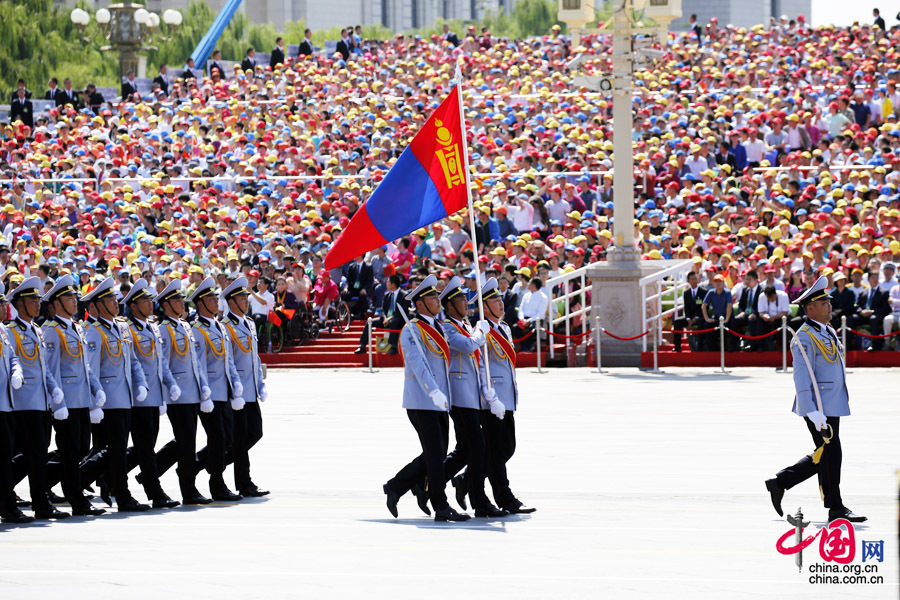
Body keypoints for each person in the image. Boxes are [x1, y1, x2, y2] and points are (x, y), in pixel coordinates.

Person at [765, 276, 866, 524]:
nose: (829, 306)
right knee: (831, 454)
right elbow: (801, 378)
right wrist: (811, 411)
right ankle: (835, 508)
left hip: (831, 403)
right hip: (819, 407)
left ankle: (780, 482)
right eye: (824, 303)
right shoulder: (804, 337)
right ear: (810, 308)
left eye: (829, 302)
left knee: (828, 453)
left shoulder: (827, 330)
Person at [382, 274, 469, 522]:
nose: (437, 299)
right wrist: (433, 391)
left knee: (438, 453)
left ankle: (396, 486)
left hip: (441, 400)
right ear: (419, 304)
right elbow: (418, 365)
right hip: (422, 401)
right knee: (434, 453)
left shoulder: (438, 327)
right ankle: (441, 505)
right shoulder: (411, 330)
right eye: (432, 296)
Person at [438, 277, 508, 518]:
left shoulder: (466, 325)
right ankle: (478, 499)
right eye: (459, 300)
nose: (466, 303)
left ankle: (430, 482)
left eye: (465, 298)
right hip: (459, 397)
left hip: (473, 396)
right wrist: (480, 332)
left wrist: (488, 392)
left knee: (470, 449)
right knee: (477, 448)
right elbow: (468, 347)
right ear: (449, 305)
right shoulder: (447, 326)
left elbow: (478, 362)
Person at [81, 277, 150, 513]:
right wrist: (95, 400)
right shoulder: (94, 332)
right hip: (107, 401)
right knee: (113, 449)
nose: (115, 302)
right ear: (97, 305)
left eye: (114, 298)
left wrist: (140, 384)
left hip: (125, 398)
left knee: (116, 449)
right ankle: (120, 493)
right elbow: (90, 369)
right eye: (110, 299)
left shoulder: (121, 328)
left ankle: (87, 481)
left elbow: (133, 362)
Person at [40, 275, 106, 516]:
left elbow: (85, 366)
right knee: (69, 451)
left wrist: (95, 391)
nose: (74, 301)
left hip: (81, 400)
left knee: (80, 449)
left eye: (75, 297)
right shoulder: (51, 331)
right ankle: (76, 498)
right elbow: (50, 368)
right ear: (55, 304)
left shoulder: (76, 327)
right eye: (69, 298)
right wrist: (57, 402)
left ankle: (44, 481)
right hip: (65, 401)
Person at [7, 277, 69, 519]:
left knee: (39, 454)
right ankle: (34, 501)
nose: (38, 305)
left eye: (38, 301)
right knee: (30, 454)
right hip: (23, 402)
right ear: (20, 304)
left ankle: (39, 501)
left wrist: (54, 391)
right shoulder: (12, 332)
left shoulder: (37, 330)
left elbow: (44, 368)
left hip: (41, 402)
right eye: (33, 301)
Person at [478, 277, 535, 514]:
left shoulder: (504, 328)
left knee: (507, 447)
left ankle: (468, 478)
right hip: (493, 399)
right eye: (494, 300)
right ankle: (505, 498)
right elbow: (481, 366)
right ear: (484, 306)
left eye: (501, 298)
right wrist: (489, 396)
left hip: (507, 397)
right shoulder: (482, 330)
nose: (501, 304)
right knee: (497, 451)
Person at [122, 279, 181, 509]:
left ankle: (108, 476)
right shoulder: (128, 329)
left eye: (150, 300)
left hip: (155, 397)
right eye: (144, 301)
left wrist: (169, 386)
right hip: (138, 398)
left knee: (146, 446)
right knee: (144, 447)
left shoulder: (152, 328)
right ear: (134, 306)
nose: (150, 304)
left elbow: (161, 363)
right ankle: (154, 491)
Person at [154, 279, 213, 505]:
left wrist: (203, 386)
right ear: (167, 305)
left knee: (187, 441)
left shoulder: (185, 326)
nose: (182, 303)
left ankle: (185, 485)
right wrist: (171, 388)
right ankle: (188, 490)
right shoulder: (164, 330)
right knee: (186, 442)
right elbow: (163, 363)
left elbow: (195, 361)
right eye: (177, 300)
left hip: (192, 393)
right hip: (177, 395)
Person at [188, 277, 244, 502]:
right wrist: (204, 393)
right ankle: (216, 484)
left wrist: (236, 383)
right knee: (218, 439)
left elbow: (228, 359)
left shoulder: (219, 326)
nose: (216, 302)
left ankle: (195, 470)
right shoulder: (198, 330)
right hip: (209, 395)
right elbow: (198, 364)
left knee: (228, 439)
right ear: (200, 303)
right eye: (211, 299)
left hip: (225, 392)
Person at [220, 277, 269, 497]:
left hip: (251, 390)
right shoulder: (226, 326)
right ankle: (244, 482)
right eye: (242, 298)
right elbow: (228, 360)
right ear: (232, 302)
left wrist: (260, 383)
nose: (246, 301)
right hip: (237, 391)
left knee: (255, 433)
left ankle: (207, 460)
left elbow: (254, 357)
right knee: (239, 439)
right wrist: (236, 388)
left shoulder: (248, 323)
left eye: (246, 297)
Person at [0, 283, 30, 524]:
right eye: (1, 304)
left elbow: (13, 358)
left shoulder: (3, 331)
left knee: (6, 458)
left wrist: (17, 372)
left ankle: (7, 505)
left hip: (5, 405)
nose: (4, 308)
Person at [355, 274, 402, 354]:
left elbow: (402, 311)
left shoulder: (403, 295)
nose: (386, 283)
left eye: (388, 282)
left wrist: (389, 318)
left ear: (393, 284)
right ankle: (362, 345)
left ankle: (393, 346)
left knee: (394, 322)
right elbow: (383, 309)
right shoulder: (387, 295)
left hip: (398, 318)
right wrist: (384, 318)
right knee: (370, 322)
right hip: (386, 319)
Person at [673, 271, 706, 352]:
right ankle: (677, 347)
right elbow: (686, 307)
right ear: (688, 281)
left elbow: (705, 307)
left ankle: (700, 347)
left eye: (696, 279)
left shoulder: (704, 291)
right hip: (690, 317)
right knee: (677, 322)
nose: (694, 281)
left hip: (700, 317)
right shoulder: (686, 293)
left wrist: (697, 317)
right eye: (692, 279)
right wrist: (688, 319)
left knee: (702, 323)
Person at [701, 275, 733, 351]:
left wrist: (727, 319)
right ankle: (711, 348)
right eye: (716, 282)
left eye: (720, 282)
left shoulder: (727, 292)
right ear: (714, 283)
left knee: (732, 324)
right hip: (716, 317)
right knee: (707, 325)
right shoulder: (711, 292)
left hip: (726, 316)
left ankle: (731, 347)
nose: (718, 284)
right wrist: (707, 318)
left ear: (723, 282)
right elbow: (704, 305)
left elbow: (729, 306)